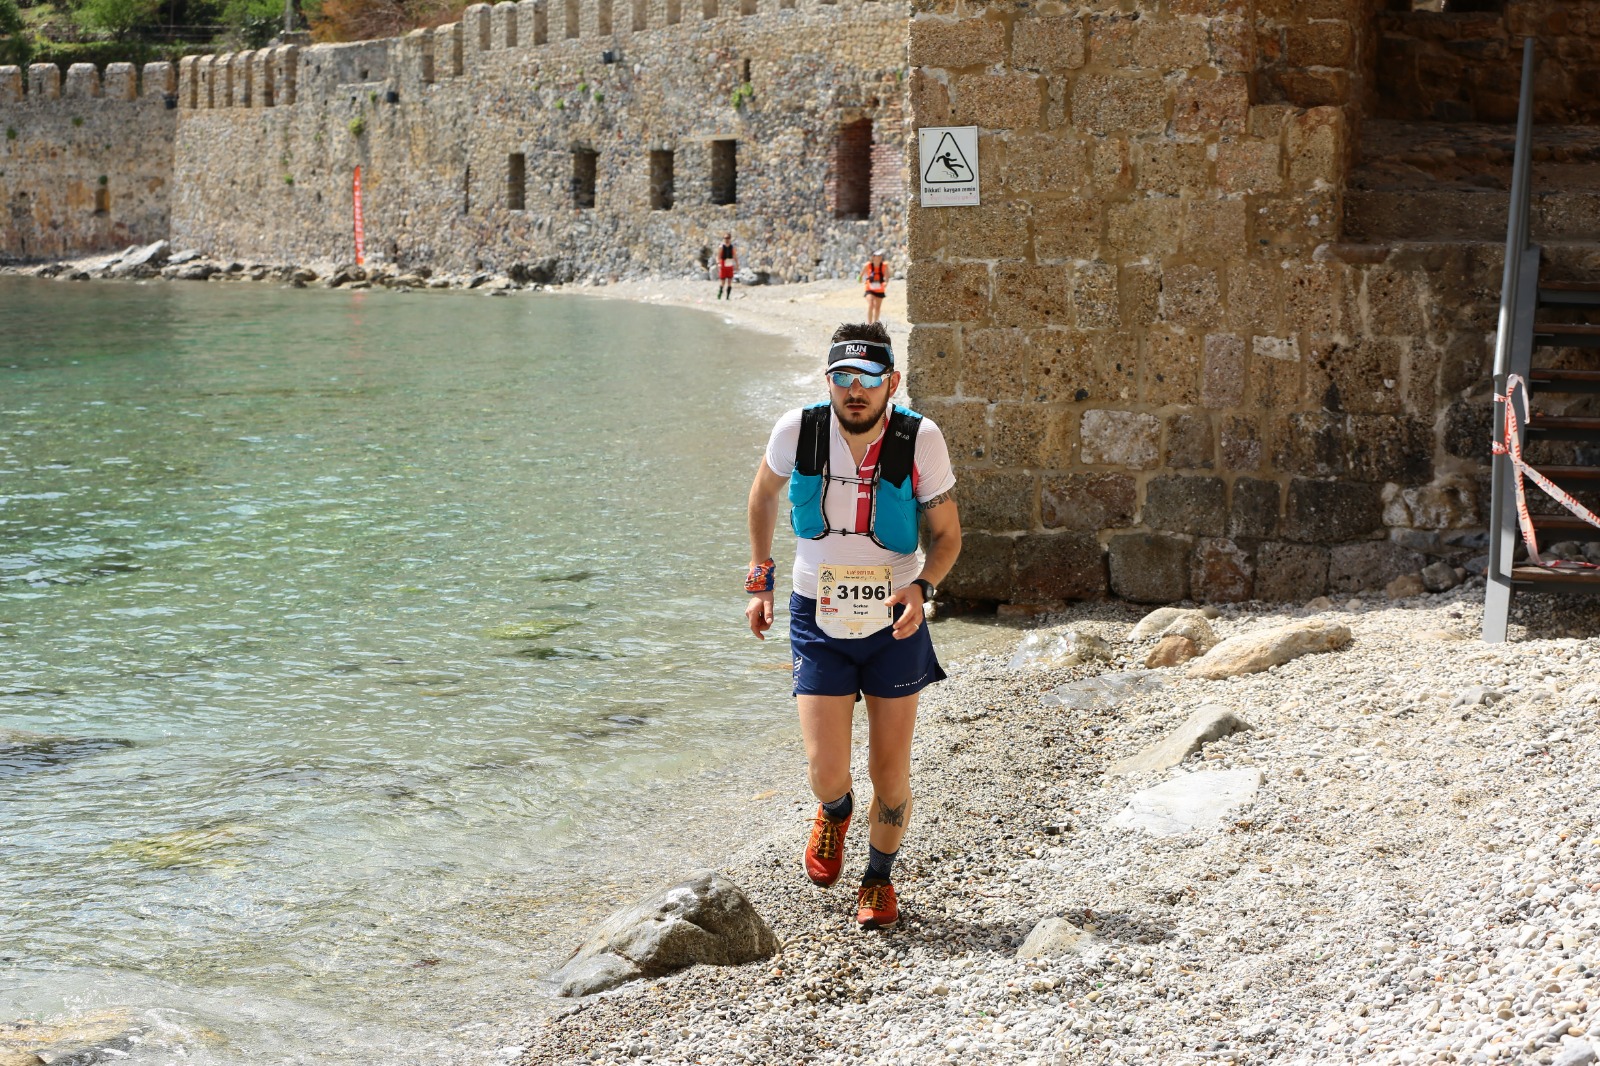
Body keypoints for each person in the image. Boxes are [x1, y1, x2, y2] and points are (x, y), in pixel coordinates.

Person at [744, 321, 961, 929]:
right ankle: (835, 810)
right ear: (830, 382)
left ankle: (877, 879)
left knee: (890, 773)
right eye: (843, 377)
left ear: (891, 382)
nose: (854, 390)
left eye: (868, 378)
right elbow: (762, 497)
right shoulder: (799, 429)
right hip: (817, 615)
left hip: (894, 621)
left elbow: (946, 538)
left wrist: (922, 588)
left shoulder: (922, 440)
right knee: (827, 770)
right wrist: (760, 578)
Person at [859, 250, 889, 325]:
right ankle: (869, 324)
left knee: (877, 308)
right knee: (871, 304)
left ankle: (875, 325)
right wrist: (859, 280)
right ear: (873, 257)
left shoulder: (885, 265)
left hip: (880, 289)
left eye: (880, 256)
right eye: (877, 256)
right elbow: (860, 276)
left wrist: (886, 283)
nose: (879, 257)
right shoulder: (867, 265)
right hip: (869, 289)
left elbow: (887, 277)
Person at [715, 233, 738, 300]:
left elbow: (735, 256)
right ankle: (719, 294)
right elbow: (718, 256)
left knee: (730, 281)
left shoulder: (732, 247)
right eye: (725, 238)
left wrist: (737, 265)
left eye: (728, 238)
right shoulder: (721, 247)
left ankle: (727, 297)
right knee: (722, 282)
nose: (726, 239)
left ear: (730, 239)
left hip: (729, 264)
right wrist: (718, 263)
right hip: (723, 264)